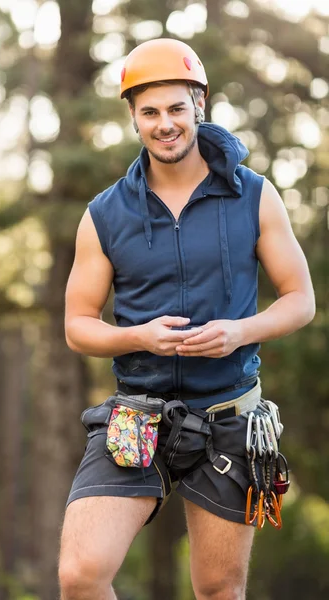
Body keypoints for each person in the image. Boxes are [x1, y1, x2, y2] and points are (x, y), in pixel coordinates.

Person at [58, 38, 315, 600]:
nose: (165, 124)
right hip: (135, 417)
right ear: (133, 117)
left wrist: (240, 332)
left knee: (219, 589)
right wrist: (136, 336)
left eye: (176, 108)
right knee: (81, 575)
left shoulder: (254, 195)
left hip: (230, 416)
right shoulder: (104, 214)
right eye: (149, 112)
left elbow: (300, 299)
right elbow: (79, 325)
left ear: (200, 103)